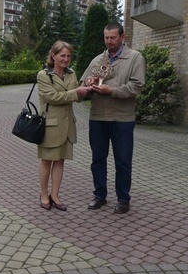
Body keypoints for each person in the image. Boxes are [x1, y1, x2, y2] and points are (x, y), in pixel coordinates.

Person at [81, 23, 146, 214]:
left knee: (123, 161)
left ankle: (123, 199)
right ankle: (100, 195)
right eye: (106, 38)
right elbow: (82, 82)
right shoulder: (97, 60)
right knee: (97, 159)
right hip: (98, 117)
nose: (109, 41)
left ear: (122, 37)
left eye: (113, 38)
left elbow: (137, 86)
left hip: (122, 119)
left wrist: (112, 91)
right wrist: (87, 82)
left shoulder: (135, 58)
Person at [37, 41, 92, 212]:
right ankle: (44, 195)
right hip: (50, 125)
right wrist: (76, 92)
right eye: (62, 55)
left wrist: (86, 86)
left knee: (60, 161)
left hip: (68, 125)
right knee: (46, 161)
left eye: (68, 56)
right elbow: (52, 97)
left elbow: (78, 98)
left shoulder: (71, 74)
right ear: (53, 56)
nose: (66, 59)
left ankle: (55, 195)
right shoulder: (44, 75)